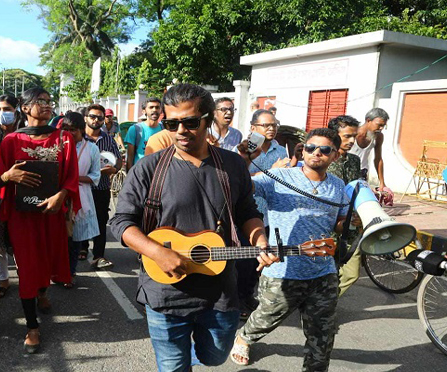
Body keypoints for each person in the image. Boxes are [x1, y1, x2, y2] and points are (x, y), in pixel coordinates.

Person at [110, 84, 276, 371]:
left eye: (189, 122)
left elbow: (247, 211)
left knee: (215, 357)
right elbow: (121, 221)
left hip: (221, 292)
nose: (180, 131)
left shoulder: (233, 165)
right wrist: (156, 252)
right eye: (171, 123)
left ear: (208, 119)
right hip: (164, 292)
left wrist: (259, 238)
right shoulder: (149, 168)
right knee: (174, 366)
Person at [231, 128, 349, 370]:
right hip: (281, 269)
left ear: (335, 156)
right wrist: (243, 160)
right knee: (265, 319)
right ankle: (244, 337)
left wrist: (349, 223)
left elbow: (337, 224)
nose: (316, 153)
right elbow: (242, 187)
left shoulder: (339, 186)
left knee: (323, 335)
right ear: (303, 150)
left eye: (325, 150)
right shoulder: (280, 176)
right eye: (311, 148)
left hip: (323, 271)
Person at [0, 87, 78, 353]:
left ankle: (42, 291)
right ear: (25, 108)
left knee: (49, 260)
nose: (47, 105)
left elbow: (71, 176)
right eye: (40, 102)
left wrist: (62, 196)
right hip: (23, 218)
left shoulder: (64, 139)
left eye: (49, 101)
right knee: (28, 268)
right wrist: (9, 177)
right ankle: (32, 327)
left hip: (51, 215)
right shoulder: (11, 141)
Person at [237, 109, 291, 318]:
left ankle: (249, 295)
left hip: (272, 212)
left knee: (259, 260)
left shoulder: (280, 150)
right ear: (253, 128)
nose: (271, 129)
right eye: (266, 125)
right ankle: (239, 299)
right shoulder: (245, 149)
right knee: (243, 259)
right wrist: (273, 172)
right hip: (249, 211)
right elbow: (240, 178)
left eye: (274, 124)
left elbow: (283, 177)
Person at [0, 94, 23, 296]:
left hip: (21, 195)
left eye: (7, 109)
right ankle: (3, 280)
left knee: (20, 239)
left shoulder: (25, 135)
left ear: (17, 111)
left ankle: (25, 275)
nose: (3, 114)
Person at [62, 112, 100, 285]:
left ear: (81, 130)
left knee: (75, 239)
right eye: (66, 129)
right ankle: (58, 272)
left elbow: (95, 176)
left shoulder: (91, 148)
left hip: (80, 197)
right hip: (60, 196)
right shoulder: (58, 145)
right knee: (60, 238)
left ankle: (70, 272)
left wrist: (74, 179)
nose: (69, 134)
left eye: (73, 130)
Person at [82, 104, 122, 268]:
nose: (96, 120)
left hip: (101, 187)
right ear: (85, 118)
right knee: (81, 218)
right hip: (81, 187)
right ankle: (82, 248)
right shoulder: (78, 138)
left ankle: (99, 255)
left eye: (100, 117)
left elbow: (118, 159)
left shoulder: (107, 139)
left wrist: (115, 168)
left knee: (100, 221)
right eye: (93, 116)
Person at [327, 116, 363, 297]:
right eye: (347, 136)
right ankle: (319, 309)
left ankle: (326, 304)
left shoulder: (354, 161)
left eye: (354, 136)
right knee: (324, 275)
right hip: (326, 229)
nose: (351, 141)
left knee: (351, 272)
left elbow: (356, 189)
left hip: (351, 226)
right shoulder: (321, 158)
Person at [349, 108, 390, 195]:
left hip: (362, 173)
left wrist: (382, 182)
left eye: (383, 126)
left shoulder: (378, 137)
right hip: (347, 170)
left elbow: (378, 159)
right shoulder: (352, 134)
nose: (381, 128)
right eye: (379, 125)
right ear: (368, 120)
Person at [124, 97, 162, 171]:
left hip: (159, 171)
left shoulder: (164, 129)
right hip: (140, 171)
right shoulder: (135, 129)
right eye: (151, 107)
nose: (154, 110)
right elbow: (130, 156)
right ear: (144, 111)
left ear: (161, 110)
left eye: (157, 107)